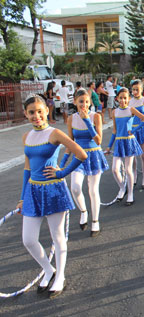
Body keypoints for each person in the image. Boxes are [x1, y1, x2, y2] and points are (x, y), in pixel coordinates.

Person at [17, 95, 87, 298]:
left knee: (57, 237)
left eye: (40, 111)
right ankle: (48, 270)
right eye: (32, 112)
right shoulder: (26, 137)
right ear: (26, 114)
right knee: (28, 240)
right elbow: (27, 169)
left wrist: (62, 173)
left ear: (47, 111)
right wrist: (22, 197)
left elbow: (82, 154)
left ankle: (60, 276)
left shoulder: (54, 133)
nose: (36, 116)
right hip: (32, 191)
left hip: (53, 190)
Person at [61, 89, 108, 237]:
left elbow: (98, 140)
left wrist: (87, 120)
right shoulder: (71, 119)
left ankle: (95, 221)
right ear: (75, 102)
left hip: (94, 155)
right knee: (75, 188)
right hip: (78, 156)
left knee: (93, 190)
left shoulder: (96, 117)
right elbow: (70, 141)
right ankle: (83, 211)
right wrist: (63, 162)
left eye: (87, 102)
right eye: (81, 101)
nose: (84, 105)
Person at [106, 88, 144, 206]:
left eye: (125, 98)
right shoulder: (114, 112)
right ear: (117, 98)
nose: (123, 100)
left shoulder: (131, 110)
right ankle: (122, 187)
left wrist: (133, 130)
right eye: (121, 98)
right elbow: (114, 131)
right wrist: (109, 146)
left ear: (128, 99)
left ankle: (130, 194)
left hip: (129, 142)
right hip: (119, 143)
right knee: (115, 169)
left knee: (128, 169)